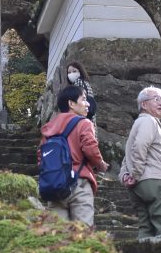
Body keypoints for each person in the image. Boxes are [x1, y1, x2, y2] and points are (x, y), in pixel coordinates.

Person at [38, 85, 109, 227]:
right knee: (82, 231)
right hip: (79, 182)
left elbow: (41, 156)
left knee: (57, 232)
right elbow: (90, 148)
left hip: (55, 185)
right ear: (71, 103)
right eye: (83, 99)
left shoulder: (49, 127)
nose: (88, 104)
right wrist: (100, 164)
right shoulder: (84, 123)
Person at [119, 85, 161, 240]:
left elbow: (128, 154)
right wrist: (135, 173)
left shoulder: (137, 124)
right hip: (156, 180)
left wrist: (125, 175)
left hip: (139, 186)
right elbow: (140, 146)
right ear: (144, 104)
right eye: (156, 99)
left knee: (146, 227)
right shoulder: (149, 121)